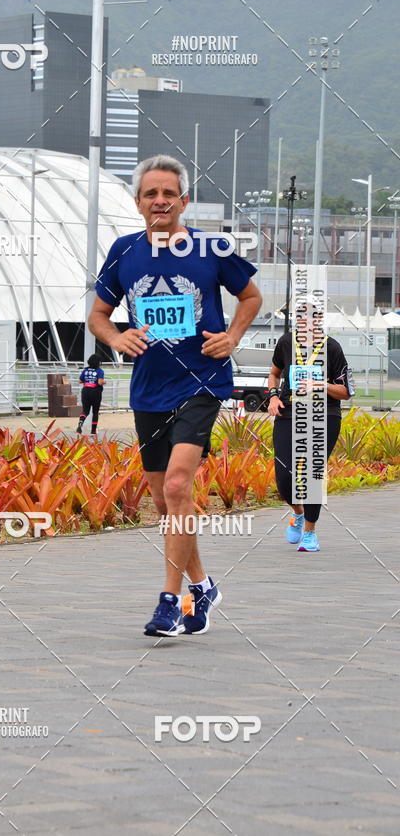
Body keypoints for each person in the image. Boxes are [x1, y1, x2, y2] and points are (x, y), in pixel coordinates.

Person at [88, 154, 262, 637]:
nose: (160, 201)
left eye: (169, 193)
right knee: (167, 503)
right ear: (138, 202)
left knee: (177, 487)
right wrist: (115, 337)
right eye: (151, 194)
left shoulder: (211, 247)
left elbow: (251, 297)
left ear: (184, 200)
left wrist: (233, 337)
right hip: (149, 390)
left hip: (202, 382)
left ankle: (172, 601)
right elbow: (98, 314)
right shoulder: (124, 251)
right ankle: (203, 585)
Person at [267, 296, 355, 552]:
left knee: (312, 474)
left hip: (323, 415)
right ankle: (298, 512)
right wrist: (272, 396)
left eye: (310, 316)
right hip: (289, 413)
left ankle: (309, 532)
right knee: (284, 476)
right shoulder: (286, 343)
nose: (304, 321)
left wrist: (321, 385)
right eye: (300, 316)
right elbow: (273, 373)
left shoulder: (333, 348)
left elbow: (347, 391)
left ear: (319, 319)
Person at [76, 353, 105, 435]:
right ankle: (93, 431)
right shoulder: (99, 371)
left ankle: (80, 423)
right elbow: (100, 382)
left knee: (85, 411)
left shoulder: (85, 370)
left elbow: (80, 381)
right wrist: (104, 382)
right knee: (95, 412)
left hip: (85, 391)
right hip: (96, 392)